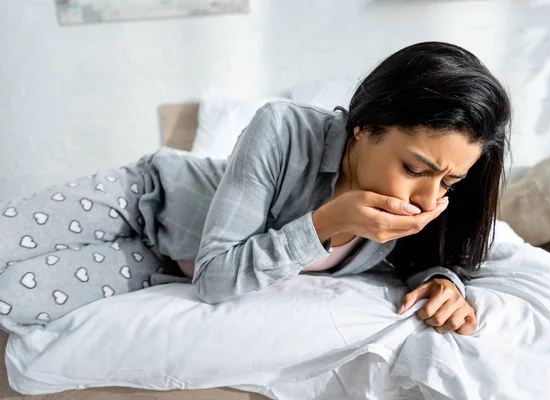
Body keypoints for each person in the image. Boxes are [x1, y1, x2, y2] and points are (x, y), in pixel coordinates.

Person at [0, 41, 511, 337]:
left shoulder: (420, 209)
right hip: (144, 200)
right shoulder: (283, 127)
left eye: (449, 180)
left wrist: (445, 280)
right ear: (365, 125)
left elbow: (429, 256)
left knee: (12, 298)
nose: (428, 198)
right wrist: (331, 221)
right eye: (415, 167)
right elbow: (219, 275)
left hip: (164, 264)